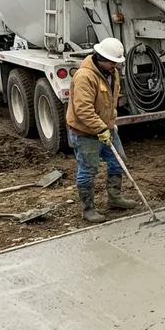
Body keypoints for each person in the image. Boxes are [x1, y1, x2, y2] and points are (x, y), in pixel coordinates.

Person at [66, 37, 138, 223]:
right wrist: (99, 128)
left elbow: (110, 101)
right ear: (100, 58)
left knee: (118, 160)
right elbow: (83, 110)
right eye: (112, 61)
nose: (115, 65)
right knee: (88, 169)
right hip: (85, 133)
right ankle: (88, 209)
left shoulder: (111, 73)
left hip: (107, 128)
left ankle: (114, 198)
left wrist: (110, 123)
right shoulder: (84, 76)